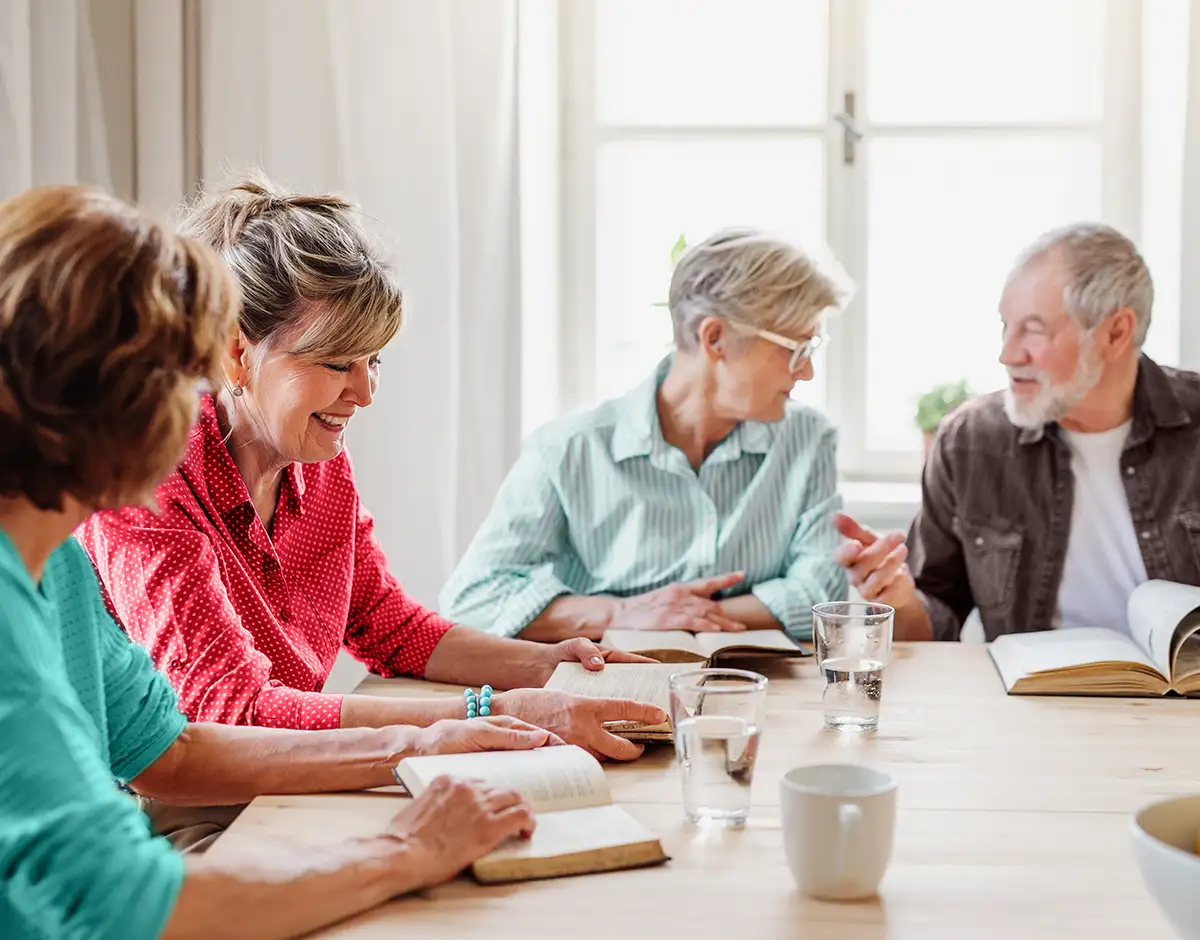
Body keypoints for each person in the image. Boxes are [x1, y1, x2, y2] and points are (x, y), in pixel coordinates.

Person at [0, 184, 577, 939]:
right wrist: (405, 849)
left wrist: (432, 736)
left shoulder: (57, 568)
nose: (196, 397)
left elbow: (167, 749)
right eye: (183, 370)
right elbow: (124, 901)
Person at [79, 173, 663, 766]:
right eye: (337, 363)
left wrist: (548, 664)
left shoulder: (318, 460)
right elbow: (232, 712)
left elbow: (385, 623)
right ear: (235, 351)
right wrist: (490, 711)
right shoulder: (149, 481)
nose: (365, 391)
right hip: (163, 811)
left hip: (287, 777)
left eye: (373, 358)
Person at [440, 228, 850, 642]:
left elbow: (821, 593)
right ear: (715, 338)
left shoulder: (809, 440)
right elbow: (473, 600)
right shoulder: (568, 450)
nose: (807, 372)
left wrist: (681, 615)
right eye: (798, 350)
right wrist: (624, 613)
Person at [834, 222, 1200, 641]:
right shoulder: (971, 441)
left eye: (1034, 330)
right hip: (1027, 700)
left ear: (1116, 333)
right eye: (1006, 326)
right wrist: (898, 598)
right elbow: (934, 624)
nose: (1007, 354)